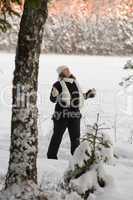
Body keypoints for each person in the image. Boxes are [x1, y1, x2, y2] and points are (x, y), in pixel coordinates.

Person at [47, 65, 96, 159]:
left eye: (68, 69)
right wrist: (54, 95)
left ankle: (76, 158)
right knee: (57, 137)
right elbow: (52, 99)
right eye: (65, 70)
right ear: (61, 73)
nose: (68, 70)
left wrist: (89, 95)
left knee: (76, 138)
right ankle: (51, 157)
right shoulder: (58, 84)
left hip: (75, 116)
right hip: (61, 116)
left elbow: (79, 97)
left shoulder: (75, 83)